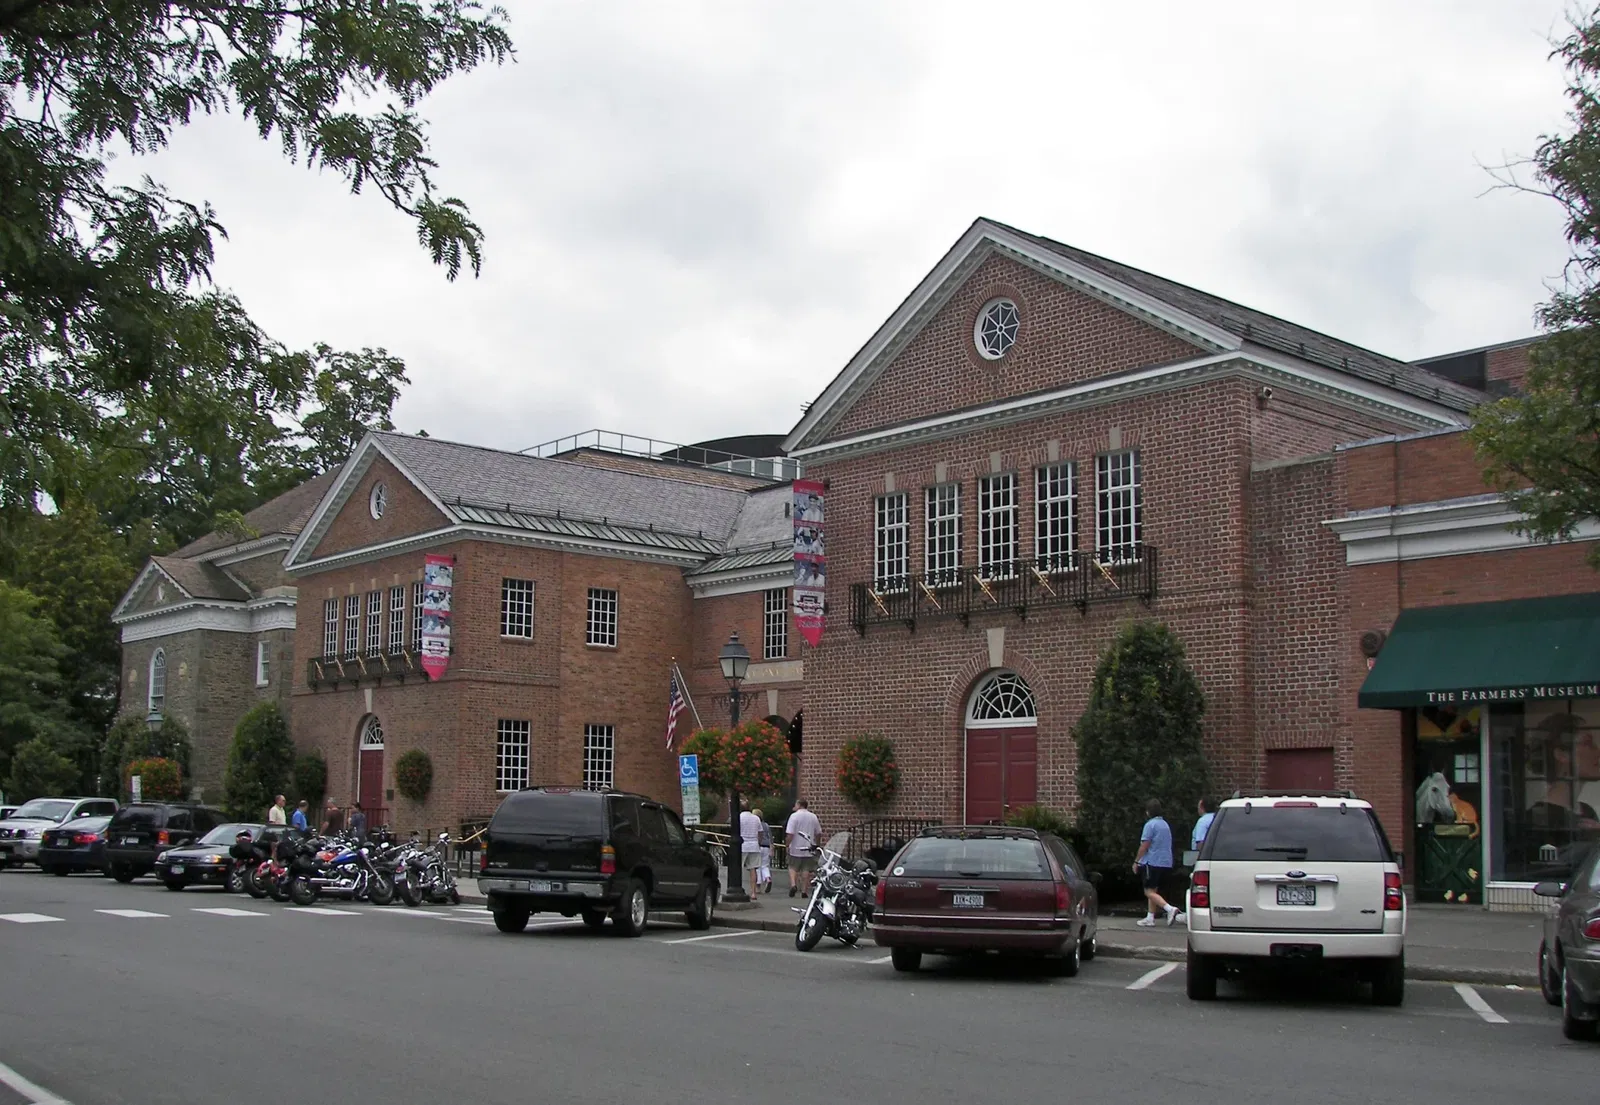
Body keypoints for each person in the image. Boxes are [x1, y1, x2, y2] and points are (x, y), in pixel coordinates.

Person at [1134, 798, 1184, 927]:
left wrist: (1136, 861)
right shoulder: (1165, 825)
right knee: (1153, 890)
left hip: (1152, 861)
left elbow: (1145, 845)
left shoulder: (1150, 825)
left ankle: (1169, 909)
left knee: (1148, 892)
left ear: (1148, 812)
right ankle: (1150, 917)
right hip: (1165, 862)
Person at [785, 799, 821, 898]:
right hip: (809, 847)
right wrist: (816, 844)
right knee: (806, 869)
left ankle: (793, 884)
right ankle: (804, 890)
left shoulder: (794, 816)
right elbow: (818, 833)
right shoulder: (813, 817)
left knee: (793, 867)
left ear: (799, 805)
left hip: (796, 846)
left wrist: (787, 844)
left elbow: (790, 833)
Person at [738, 799, 763, 899]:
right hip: (754, 844)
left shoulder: (739, 818)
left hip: (742, 845)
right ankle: (753, 892)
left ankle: (739, 888)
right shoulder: (756, 818)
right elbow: (760, 832)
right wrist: (759, 842)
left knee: (737, 868)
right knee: (753, 869)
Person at [754, 809, 773, 894]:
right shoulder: (766, 825)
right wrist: (772, 847)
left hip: (758, 846)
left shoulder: (755, 824)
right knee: (765, 866)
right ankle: (767, 878)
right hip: (766, 846)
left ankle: (758, 887)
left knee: (757, 866)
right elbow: (770, 837)